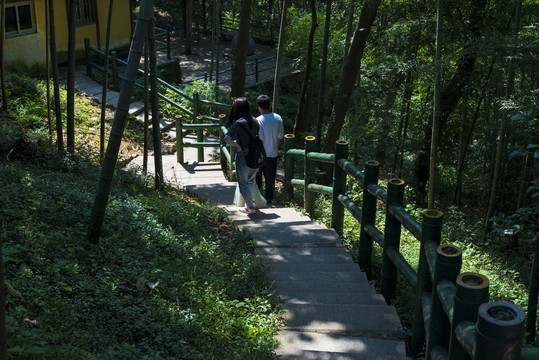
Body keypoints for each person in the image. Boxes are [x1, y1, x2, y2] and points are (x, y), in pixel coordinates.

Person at [224, 97, 260, 215]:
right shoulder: (255, 121)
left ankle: (250, 207)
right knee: (250, 180)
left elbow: (227, 138)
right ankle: (250, 204)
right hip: (255, 154)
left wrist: (237, 146)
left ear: (237, 109)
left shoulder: (239, 123)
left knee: (243, 182)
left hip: (243, 154)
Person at [255, 95, 284, 204]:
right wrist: (276, 147)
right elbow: (280, 136)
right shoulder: (278, 118)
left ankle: (258, 199)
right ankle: (268, 199)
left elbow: (260, 139)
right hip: (273, 153)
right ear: (269, 105)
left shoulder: (258, 120)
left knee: (258, 178)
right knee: (270, 178)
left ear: (259, 107)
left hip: (261, 155)